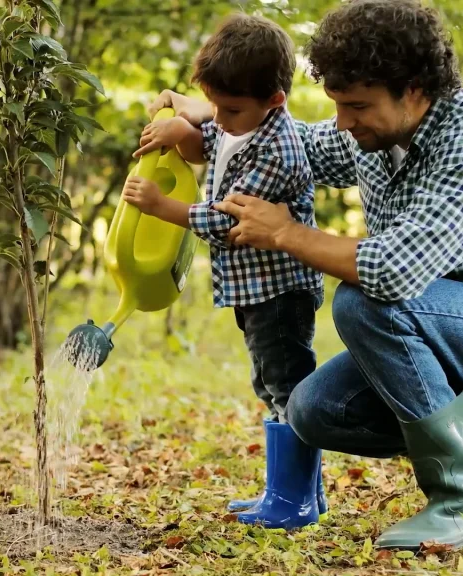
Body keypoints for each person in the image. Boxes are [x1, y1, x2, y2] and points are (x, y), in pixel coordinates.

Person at [140, 0, 463, 551]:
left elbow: (392, 270)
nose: (343, 122)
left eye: (356, 106)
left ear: (414, 89)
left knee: (363, 299)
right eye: (338, 105)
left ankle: (460, 503)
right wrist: (214, 111)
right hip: (447, 331)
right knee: (312, 410)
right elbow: (293, 142)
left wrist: (284, 232)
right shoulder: (375, 138)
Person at [120, 13, 327, 530]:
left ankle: (294, 501)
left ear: (274, 100)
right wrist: (182, 129)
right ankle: (297, 492)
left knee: (286, 386)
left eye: (230, 109)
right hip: (254, 288)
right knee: (270, 384)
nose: (219, 118)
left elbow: (228, 220)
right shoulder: (239, 122)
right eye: (214, 106)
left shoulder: (279, 149)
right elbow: (210, 141)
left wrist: (162, 206)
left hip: (280, 290)